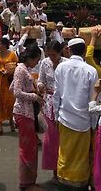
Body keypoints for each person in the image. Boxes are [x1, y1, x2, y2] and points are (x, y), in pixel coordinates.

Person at [53, 38, 98, 188]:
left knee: (65, 152)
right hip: (83, 121)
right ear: (84, 51)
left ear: (69, 50)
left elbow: (56, 95)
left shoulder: (60, 67)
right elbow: (93, 99)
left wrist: (55, 116)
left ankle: (64, 179)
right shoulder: (91, 70)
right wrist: (93, 125)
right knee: (81, 156)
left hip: (65, 118)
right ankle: (79, 182)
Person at [12, 43, 44, 191]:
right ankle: (26, 182)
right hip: (23, 112)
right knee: (27, 148)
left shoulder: (23, 69)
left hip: (26, 112)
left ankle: (29, 180)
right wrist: (34, 96)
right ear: (30, 58)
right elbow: (16, 92)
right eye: (36, 59)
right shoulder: (20, 69)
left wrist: (34, 85)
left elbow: (13, 86)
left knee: (30, 146)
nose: (37, 62)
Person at [37, 40, 66, 180]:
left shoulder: (66, 63)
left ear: (60, 53)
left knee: (64, 138)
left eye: (54, 55)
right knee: (51, 139)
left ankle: (64, 168)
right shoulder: (45, 63)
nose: (51, 57)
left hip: (64, 103)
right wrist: (41, 86)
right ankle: (54, 170)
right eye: (49, 54)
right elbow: (40, 80)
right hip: (49, 103)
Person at [0, 37, 18, 136]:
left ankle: (11, 122)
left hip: (8, 82)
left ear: (5, 45)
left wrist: (10, 70)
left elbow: (17, 65)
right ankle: (0, 127)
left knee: (9, 102)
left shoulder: (12, 54)